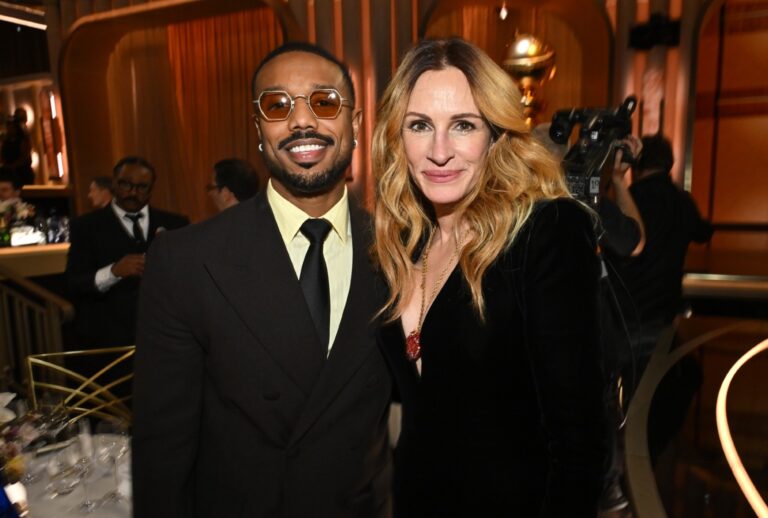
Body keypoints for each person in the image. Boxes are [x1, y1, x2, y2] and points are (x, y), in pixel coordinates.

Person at [132, 42, 393, 518]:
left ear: (355, 125)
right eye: (277, 105)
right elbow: (162, 449)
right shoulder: (187, 261)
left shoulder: (400, 252)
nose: (301, 122)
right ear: (259, 130)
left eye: (325, 101)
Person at [372, 38, 606, 517]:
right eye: (420, 126)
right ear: (399, 138)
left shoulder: (547, 233)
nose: (440, 151)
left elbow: (580, 443)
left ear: (496, 135)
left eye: (463, 125)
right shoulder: (403, 245)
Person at [65, 156, 189, 348]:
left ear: (151, 189)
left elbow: (187, 279)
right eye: (126, 185)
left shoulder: (176, 224)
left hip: (164, 336)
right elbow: (74, 282)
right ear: (114, 184)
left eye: (142, 187)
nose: (133, 193)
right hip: (109, 339)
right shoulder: (86, 226)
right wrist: (113, 272)